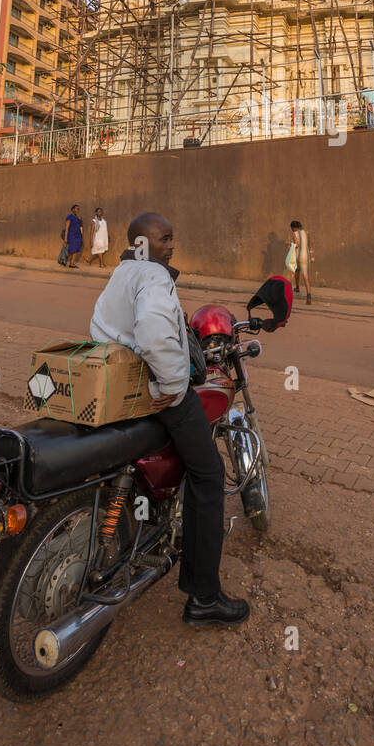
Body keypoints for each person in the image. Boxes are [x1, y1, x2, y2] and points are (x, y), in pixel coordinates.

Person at [90, 211, 248, 628]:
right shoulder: (154, 277)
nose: (171, 245)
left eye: (171, 238)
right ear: (142, 244)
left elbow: (100, 326)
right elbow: (156, 335)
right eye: (165, 238)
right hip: (159, 392)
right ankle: (204, 597)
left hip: (120, 388)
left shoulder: (122, 274)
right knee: (210, 474)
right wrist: (173, 387)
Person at [288, 219, 312, 305]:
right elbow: (309, 245)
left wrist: (289, 244)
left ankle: (297, 286)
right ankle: (308, 294)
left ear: (294, 228)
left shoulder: (295, 234)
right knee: (305, 276)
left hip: (298, 256)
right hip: (306, 256)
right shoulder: (305, 233)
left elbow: (296, 245)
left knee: (296, 270)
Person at [63, 204, 83, 268]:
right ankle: (64, 260)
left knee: (76, 249)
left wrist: (81, 220)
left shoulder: (78, 218)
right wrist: (65, 238)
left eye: (78, 209)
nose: (78, 210)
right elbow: (67, 228)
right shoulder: (69, 217)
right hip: (72, 235)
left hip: (78, 235)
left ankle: (71, 263)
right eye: (77, 209)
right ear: (73, 210)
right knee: (72, 249)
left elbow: (81, 226)